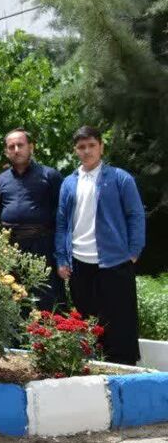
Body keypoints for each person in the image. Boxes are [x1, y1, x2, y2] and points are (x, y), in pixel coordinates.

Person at [55, 126, 146, 365]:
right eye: (81, 147)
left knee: (120, 321)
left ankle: (124, 368)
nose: (87, 151)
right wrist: (62, 258)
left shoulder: (120, 178)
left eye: (91, 146)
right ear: (75, 150)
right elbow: (62, 223)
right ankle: (92, 367)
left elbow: (136, 215)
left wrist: (134, 251)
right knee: (88, 322)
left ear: (101, 147)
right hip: (79, 263)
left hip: (115, 261)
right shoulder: (68, 183)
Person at [0, 128, 65, 311]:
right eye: (11, 147)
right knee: (16, 301)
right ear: (6, 152)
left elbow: (62, 215)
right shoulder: (1, 180)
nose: (16, 150)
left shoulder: (50, 175)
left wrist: (61, 253)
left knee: (47, 301)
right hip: (12, 249)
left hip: (43, 247)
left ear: (31, 147)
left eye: (20, 145)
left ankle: (50, 331)